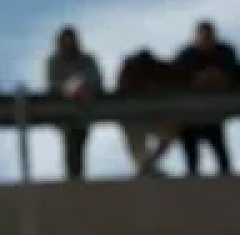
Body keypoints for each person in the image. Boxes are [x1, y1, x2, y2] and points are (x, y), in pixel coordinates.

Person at [174, 20, 237, 176]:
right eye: (203, 36)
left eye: (209, 36)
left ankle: (227, 181)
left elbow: (233, 75)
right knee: (191, 157)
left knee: (221, 154)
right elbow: (176, 78)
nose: (206, 39)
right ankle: (192, 183)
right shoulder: (186, 54)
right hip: (189, 114)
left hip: (213, 112)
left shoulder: (224, 52)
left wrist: (215, 78)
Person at [46, 26, 103, 181]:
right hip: (63, 112)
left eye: (71, 41)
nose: (69, 44)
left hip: (84, 110)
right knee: (70, 141)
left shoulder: (87, 60)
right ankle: (73, 176)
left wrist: (84, 87)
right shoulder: (54, 62)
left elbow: (96, 81)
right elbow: (54, 84)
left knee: (79, 140)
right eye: (65, 41)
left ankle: (76, 175)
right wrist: (72, 87)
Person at [116, 48, 179, 176]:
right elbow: (122, 93)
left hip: (158, 115)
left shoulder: (161, 70)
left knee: (174, 127)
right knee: (133, 134)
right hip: (133, 117)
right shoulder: (129, 72)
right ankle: (144, 167)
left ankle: (147, 165)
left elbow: (175, 84)